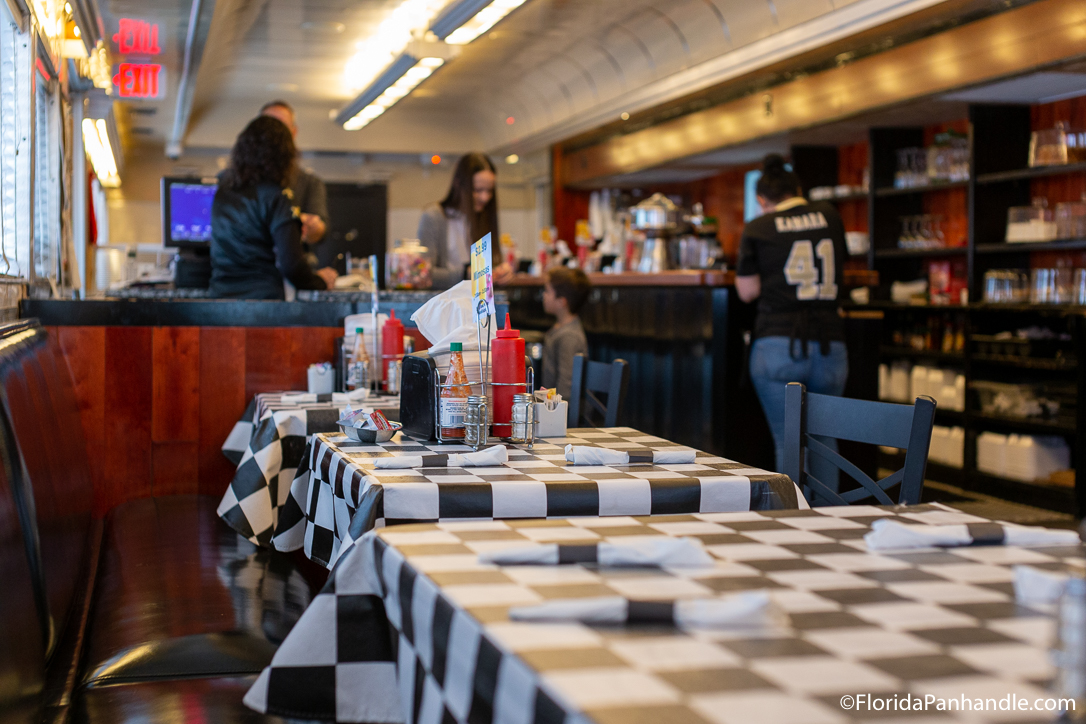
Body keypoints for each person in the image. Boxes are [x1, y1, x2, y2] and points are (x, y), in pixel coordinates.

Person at [735, 153, 849, 491]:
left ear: (761, 200)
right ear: (798, 188)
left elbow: (746, 291)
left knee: (788, 442)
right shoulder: (830, 214)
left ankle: (794, 520)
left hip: (778, 344)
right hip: (830, 342)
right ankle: (831, 520)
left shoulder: (758, 227)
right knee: (826, 441)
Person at [209, 116, 337, 299]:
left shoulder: (222, 192)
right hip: (262, 305)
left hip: (219, 300)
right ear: (283, 154)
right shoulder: (278, 195)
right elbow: (292, 266)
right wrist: (320, 281)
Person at [417, 153, 514, 289]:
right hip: (445, 304)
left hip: (477, 305)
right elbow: (424, 275)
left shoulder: (483, 217)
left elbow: (489, 269)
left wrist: (501, 271)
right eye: (477, 190)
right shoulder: (434, 216)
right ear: (458, 184)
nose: (485, 198)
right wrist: (466, 274)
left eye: (489, 190)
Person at [260, 100, 328, 246]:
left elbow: (319, 230)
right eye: (268, 126)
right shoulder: (234, 180)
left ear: (293, 132)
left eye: (281, 127)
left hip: (292, 264)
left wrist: (312, 227)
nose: (275, 134)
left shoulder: (310, 183)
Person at [541, 266, 590, 402]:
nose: (543, 295)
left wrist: (550, 413)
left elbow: (566, 389)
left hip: (563, 415)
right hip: (552, 408)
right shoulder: (560, 329)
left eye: (547, 291)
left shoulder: (569, 337)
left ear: (561, 302)